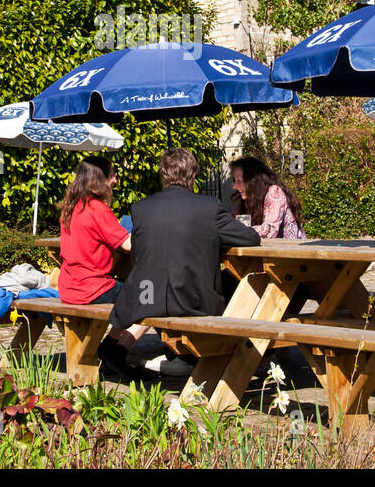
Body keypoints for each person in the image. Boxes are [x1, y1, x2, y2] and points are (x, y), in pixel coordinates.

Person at [98, 148, 259, 379]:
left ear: (163, 175)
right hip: (194, 301)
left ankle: (132, 350)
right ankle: (251, 359)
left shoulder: (141, 208)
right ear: (193, 176)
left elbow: (137, 254)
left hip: (146, 299)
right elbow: (250, 238)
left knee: (150, 285)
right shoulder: (209, 207)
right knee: (237, 285)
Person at [57, 156, 130, 306]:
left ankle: (119, 331)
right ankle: (125, 331)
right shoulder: (97, 208)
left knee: (133, 296)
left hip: (68, 288)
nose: (115, 181)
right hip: (92, 289)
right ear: (100, 179)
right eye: (112, 175)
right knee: (150, 295)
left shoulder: (70, 208)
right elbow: (128, 245)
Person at [230, 156, 306, 241]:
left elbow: (270, 230)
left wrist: (236, 231)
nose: (235, 186)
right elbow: (231, 220)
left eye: (239, 181)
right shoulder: (248, 199)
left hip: (291, 251)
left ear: (253, 181)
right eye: (234, 181)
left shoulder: (274, 193)